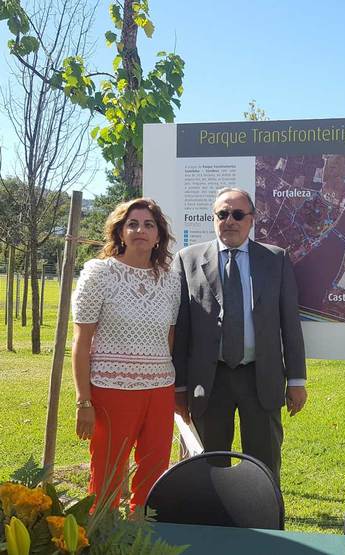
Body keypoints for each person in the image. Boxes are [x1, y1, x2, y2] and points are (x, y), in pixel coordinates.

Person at [173, 187, 307, 483]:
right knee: (207, 466)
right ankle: (212, 523)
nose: (229, 221)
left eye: (237, 214)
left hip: (260, 377)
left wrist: (296, 380)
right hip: (209, 381)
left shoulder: (276, 260)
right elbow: (181, 331)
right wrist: (179, 386)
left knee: (264, 464)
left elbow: (290, 324)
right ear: (213, 218)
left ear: (251, 219)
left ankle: (267, 521)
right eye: (222, 214)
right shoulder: (188, 260)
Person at [71, 198, 180, 511]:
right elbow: (81, 341)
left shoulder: (171, 280)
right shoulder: (99, 273)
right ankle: (101, 533)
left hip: (160, 391)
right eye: (132, 224)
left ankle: (140, 532)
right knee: (106, 474)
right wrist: (84, 401)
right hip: (111, 391)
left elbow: (168, 337)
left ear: (158, 235)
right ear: (120, 232)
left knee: (154, 470)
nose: (140, 230)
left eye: (148, 225)